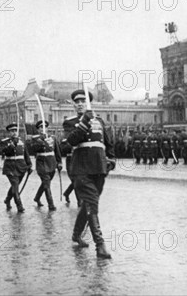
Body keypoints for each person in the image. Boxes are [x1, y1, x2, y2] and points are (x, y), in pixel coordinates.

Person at [63, 89, 115, 259]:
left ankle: (77, 234)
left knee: (88, 205)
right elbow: (71, 141)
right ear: (73, 105)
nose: (80, 104)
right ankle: (100, 245)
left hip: (99, 169)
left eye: (83, 101)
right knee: (92, 204)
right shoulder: (70, 122)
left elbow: (107, 142)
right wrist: (85, 120)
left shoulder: (99, 121)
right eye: (76, 102)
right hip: (81, 169)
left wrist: (112, 159)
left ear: (88, 103)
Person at [31, 120, 62, 211]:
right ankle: (51, 204)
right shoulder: (35, 139)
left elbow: (57, 151)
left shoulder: (53, 138)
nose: (43, 129)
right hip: (41, 164)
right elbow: (33, 149)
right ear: (38, 129)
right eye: (40, 127)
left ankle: (37, 197)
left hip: (52, 163)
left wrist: (59, 162)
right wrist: (42, 141)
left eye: (45, 127)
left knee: (46, 184)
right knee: (46, 184)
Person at [0, 122, 32, 213]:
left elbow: (26, 155)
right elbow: (4, 151)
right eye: (12, 131)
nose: (14, 132)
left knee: (15, 186)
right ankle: (19, 205)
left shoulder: (21, 142)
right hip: (10, 168)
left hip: (21, 167)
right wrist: (12, 145)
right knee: (15, 185)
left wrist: (29, 165)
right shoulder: (5, 142)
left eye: (15, 130)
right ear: (8, 132)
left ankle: (7, 199)